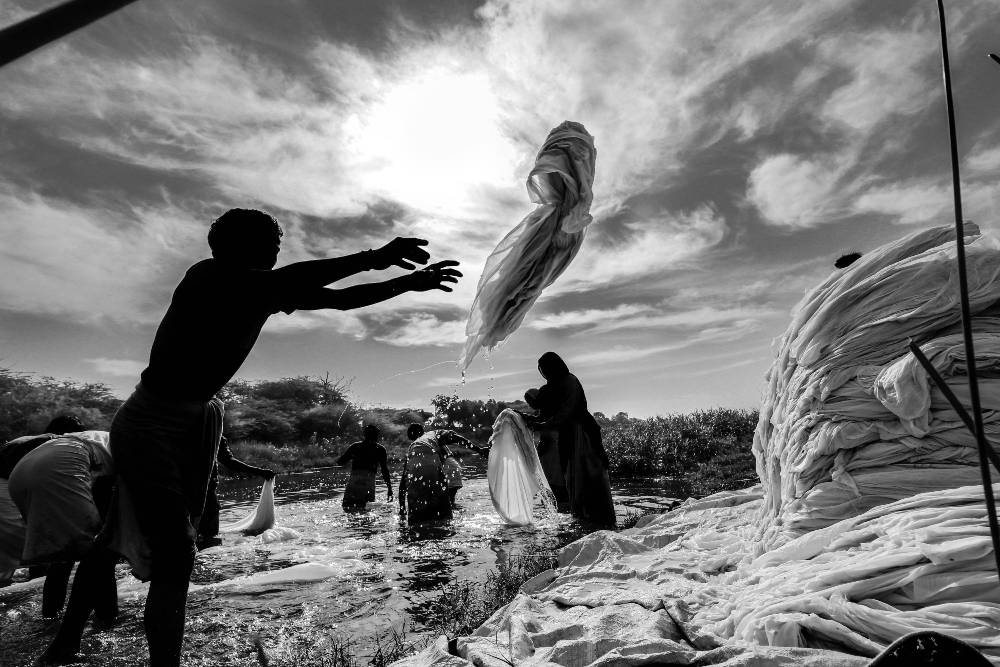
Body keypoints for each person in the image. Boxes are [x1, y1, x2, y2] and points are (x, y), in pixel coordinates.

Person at [97, 208, 461, 667]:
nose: (276, 250)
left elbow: (340, 301)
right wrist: (377, 257)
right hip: (150, 424)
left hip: (192, 423)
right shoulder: (209, 277)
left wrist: (405, 285)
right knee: (174, 559)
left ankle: (68, 636)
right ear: (235, 246)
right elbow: (302, 277)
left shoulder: (262, 292)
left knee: (159, 544)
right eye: (270, 241)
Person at [8, 429, 120, 663]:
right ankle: (70, 639)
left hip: (22, 472)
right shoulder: (136, 445)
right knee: (101, 551)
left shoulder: (106, 437)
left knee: (65, 556)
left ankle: (51, 618)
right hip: (65, 464)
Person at [0, 415, 91, 617]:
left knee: (33, 543)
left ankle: (32, 584)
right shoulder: (56, 443)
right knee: (33, 544)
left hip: (12, 486)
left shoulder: (32, 440)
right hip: (5, 487)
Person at [524, 352, 615, 527]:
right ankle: (581, 517)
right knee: (573, 477)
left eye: (545, 369)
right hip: (568, 436)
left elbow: (567, 412)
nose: (544, 373)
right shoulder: (552, 387)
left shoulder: (569, 381)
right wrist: (528, 420)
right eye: (541, 370)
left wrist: (543, 424)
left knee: (588, 474)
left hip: (582, 434)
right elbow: (544, 411)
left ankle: (597, 519)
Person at [196, 435, 276, 550]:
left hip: (183, 490)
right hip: (205, 493)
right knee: (209, 535)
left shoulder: (180, 429)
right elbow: (228, 461)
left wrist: (259, 472)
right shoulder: (215, 432)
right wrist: (260, 472)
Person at [523, 388, 569, 509]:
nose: (530, 404)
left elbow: (547, 427)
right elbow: (539, 421)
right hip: (549, 451)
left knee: (554, 477)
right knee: (551, 478)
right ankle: (557, 504)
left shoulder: (549, 410)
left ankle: (560, 504)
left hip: (553, 450)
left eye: (530, 401)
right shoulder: (544, 411)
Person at [399, 424, 455, 523]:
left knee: (423, 512)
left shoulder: (415, 450)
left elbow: (403, 483)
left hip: (446, 470)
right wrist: (479, 450)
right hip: (450, 470)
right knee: (444, 506)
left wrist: (402, 509)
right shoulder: (431, 441)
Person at [337, 424, 392, 511]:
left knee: (348, 507)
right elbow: (384, 470)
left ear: (364, 435)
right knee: (366, 509)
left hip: (354, 482)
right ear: (376, 436)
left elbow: (340, 462)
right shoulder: (380, 449)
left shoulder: (355, 446)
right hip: (368, 483)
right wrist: (389, 488)